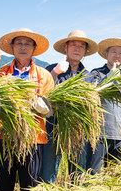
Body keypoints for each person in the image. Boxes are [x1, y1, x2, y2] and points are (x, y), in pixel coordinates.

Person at [0, 29, 54, 191]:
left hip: (32, 136)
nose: (23, 47)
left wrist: (43, 107)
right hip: (4, 135)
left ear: (34, 48)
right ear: (12, 47)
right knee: (3, 183)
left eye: (27, 43)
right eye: (19, 43)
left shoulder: (43, 75)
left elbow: (51, 109)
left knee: (30, 184)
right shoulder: (1, 73)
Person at [41, 30, 98, 182]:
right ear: (65, 48)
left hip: (78, 129)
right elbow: (41, 92)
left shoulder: (89, 76)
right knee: (48, 171)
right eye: (73, 44)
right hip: (53, 127)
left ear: (85, 51)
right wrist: (55, 72)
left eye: (81, 46)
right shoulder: (52, 69)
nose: (77, 48)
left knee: (78, 172)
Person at [86, 37, 121, 173]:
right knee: (94, 172)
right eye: (113, 52)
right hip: (100, 133)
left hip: (120, 134)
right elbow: (91, 94)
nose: (117, 55)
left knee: (115, 174)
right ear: (107, 54)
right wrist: (110, 76)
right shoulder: (96, 73)